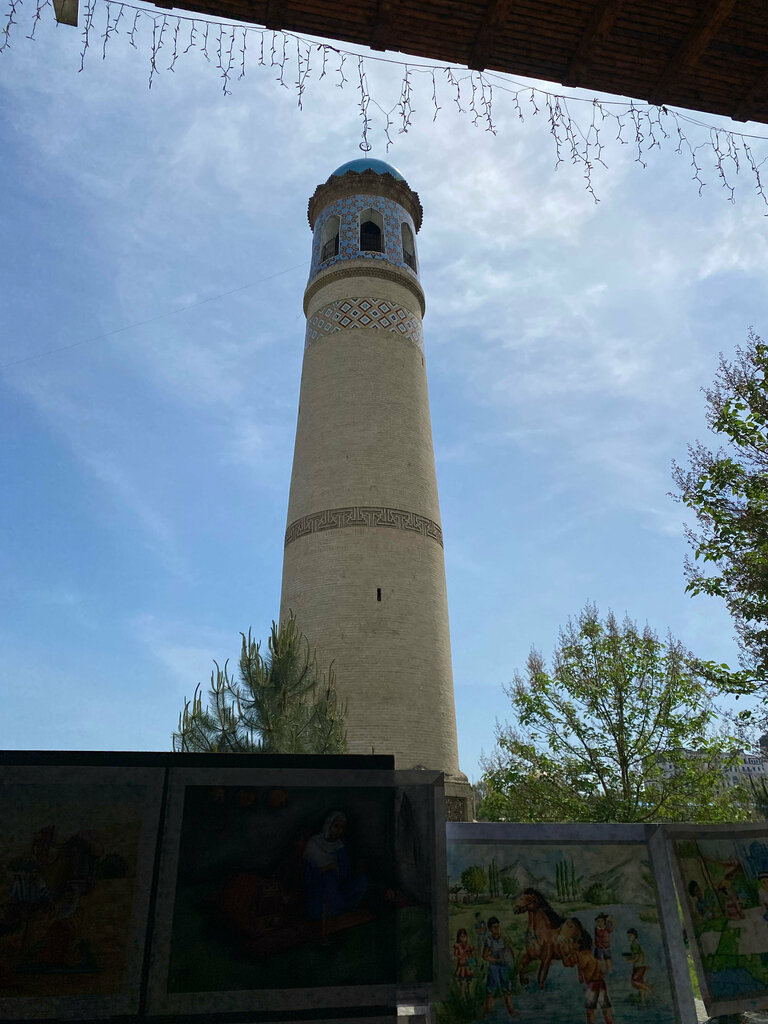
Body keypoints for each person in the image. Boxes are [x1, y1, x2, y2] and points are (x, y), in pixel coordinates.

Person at [302, 811, 367, 922]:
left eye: (342, 828)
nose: (339, 831)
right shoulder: (313, 844)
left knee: (361, 880)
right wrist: (326, 869)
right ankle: (335, 910)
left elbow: (345, 873)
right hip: (319, 889)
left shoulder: (339, 846)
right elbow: (307, 875)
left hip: (339, 886)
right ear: (328, 825)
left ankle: (344, 908)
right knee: (329, 877)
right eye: (336, 826)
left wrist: (354, 871)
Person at [560, 918, 613, 1024]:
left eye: (574, 943)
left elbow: (567, 963)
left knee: (590, 1011)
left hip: (593, 985)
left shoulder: (580, 956)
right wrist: (580, 974)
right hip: (601, 983)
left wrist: (561, 951)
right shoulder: (589, 953)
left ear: (578, 945)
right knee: (604, 1007)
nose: (572, 945)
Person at [482, 917, 518, 1017]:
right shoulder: (489, 940)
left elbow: (509, 952)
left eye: (498, 927)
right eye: (494, 927)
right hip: (494, 966)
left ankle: (511, 1009)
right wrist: (495, 960)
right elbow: (484, 956)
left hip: (503, 966)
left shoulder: (504, 938)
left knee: (506, 987)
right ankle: (488, 1010)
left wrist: (509, 959)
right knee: (491, 988)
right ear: (490, 929)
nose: (497, 929)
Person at [624, 928, 653, 1004]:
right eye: (628, 936)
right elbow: (637, 956)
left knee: (634, 981)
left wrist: (629, 960)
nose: (629, 937)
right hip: (639, 966)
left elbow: (636, 958)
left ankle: (649, 990)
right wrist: (630, 957)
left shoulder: (634, 945)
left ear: (635, 936)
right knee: (640, 983)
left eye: (630, 936)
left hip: (639, 966)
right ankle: (643, 1002)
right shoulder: (634, 944)